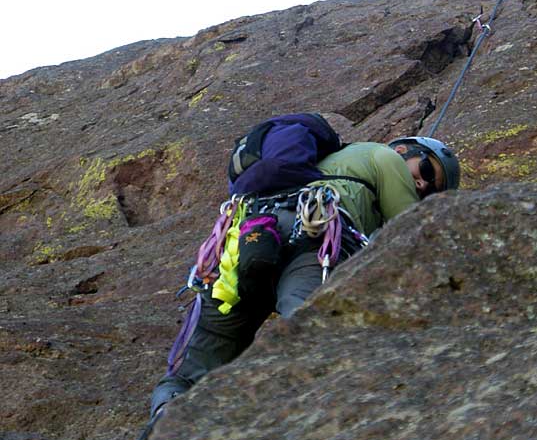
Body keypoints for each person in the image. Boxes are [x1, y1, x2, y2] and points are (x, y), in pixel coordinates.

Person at [147, 133, 460, 421]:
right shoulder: (384, 157)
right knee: (309, 338)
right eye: (428, 172)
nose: (422, 186)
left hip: (247, 242)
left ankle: (166, 415)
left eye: (431, 191)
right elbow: (411, 234)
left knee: (194, 369)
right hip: (311, 239)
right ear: (402, 150)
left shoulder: (316, 163)